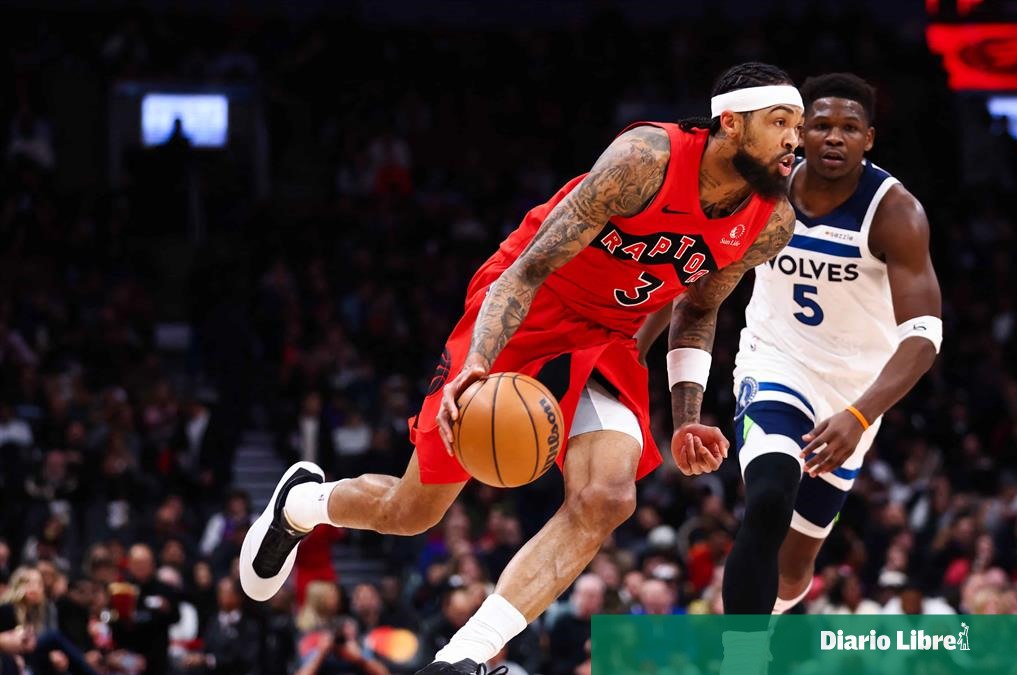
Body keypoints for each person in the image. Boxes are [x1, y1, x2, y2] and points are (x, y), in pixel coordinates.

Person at [241, 61, 803, 674]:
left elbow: (697, 308)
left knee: (608, 498)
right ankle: (302, 504)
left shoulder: (771, 221)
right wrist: (478, 362)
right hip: (529, 307)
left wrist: (687, 415)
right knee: (412, 511)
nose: (793, 141)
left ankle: (463, 656)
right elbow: (527, 270)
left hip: (609, 334)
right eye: (779, 122)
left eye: (797, 127)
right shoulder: (646, 160)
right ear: (730, 123)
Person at [709, 72, 942, 670]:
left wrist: (860, 414)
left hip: (856, 393)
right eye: (821, 125)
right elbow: (699, 269)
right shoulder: (763, 186)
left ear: (869, 138)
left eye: (849, 128)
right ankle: (742, 659)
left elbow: (924, 338)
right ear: (799, 133)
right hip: (775, 360)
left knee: (793, 569)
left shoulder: (896, 212)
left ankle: (764, 612)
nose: (834, 137)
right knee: (768, 496)